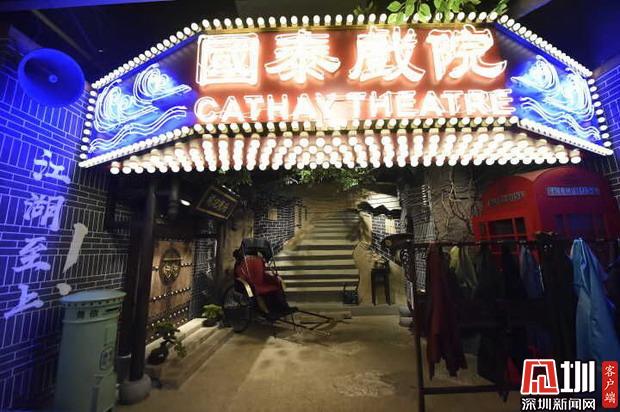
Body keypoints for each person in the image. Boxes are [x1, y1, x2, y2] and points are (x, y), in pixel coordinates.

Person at [233, 248, 295, 318]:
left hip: (262, 281)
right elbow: (241, 277)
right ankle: (266, 312)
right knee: (256, 290)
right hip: (251, 284)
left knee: (277, 283)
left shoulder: (257, 260)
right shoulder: (240, 266)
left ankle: (283, 307)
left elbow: (263, 273)